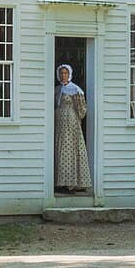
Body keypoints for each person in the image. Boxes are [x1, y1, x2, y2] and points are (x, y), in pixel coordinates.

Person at [54, 63, 91, 193]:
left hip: (70, 123)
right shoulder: (57, 89)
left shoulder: (75, 89)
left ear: (69, 74)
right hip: (58, 122)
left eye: (65, 73)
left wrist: (77, 119)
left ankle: (71, 183)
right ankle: (60, 183)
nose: (63, 75)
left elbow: (82, 107)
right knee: (59, 149)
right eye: (61, 73)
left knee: (69, 150)